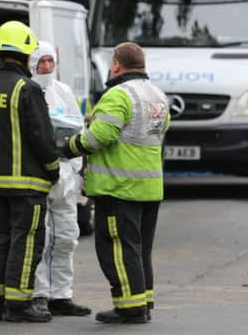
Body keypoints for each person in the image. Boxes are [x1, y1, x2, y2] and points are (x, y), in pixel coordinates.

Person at [62, 42, 170, 324]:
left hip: (118, 189)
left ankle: (130, 308)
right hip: (149, 188)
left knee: (117, 249)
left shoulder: (117, 95)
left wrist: (67, 147)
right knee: (139, 249)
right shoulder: (157, 96)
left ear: (116, 65)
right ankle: (142, 301)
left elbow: (98, 138)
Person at [0, 21, 60, 323]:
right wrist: (54, 170)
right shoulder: (29, 89)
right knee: (26, 242)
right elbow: (42, 137)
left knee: (1, 240)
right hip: (27, 184)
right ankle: (18, 303)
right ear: (27, 53)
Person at [28, 41, 91, 317]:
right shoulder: (28, 91)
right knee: (42, 238)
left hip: (64, 177)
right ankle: (40, 294)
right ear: (33, 63)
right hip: (40, 176)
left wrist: (76, 172)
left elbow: (78, 131)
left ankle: (61, 295)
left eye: (51, 61)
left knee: (66, 237)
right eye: (42, 61)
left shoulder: (63, 91)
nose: (47, 67)